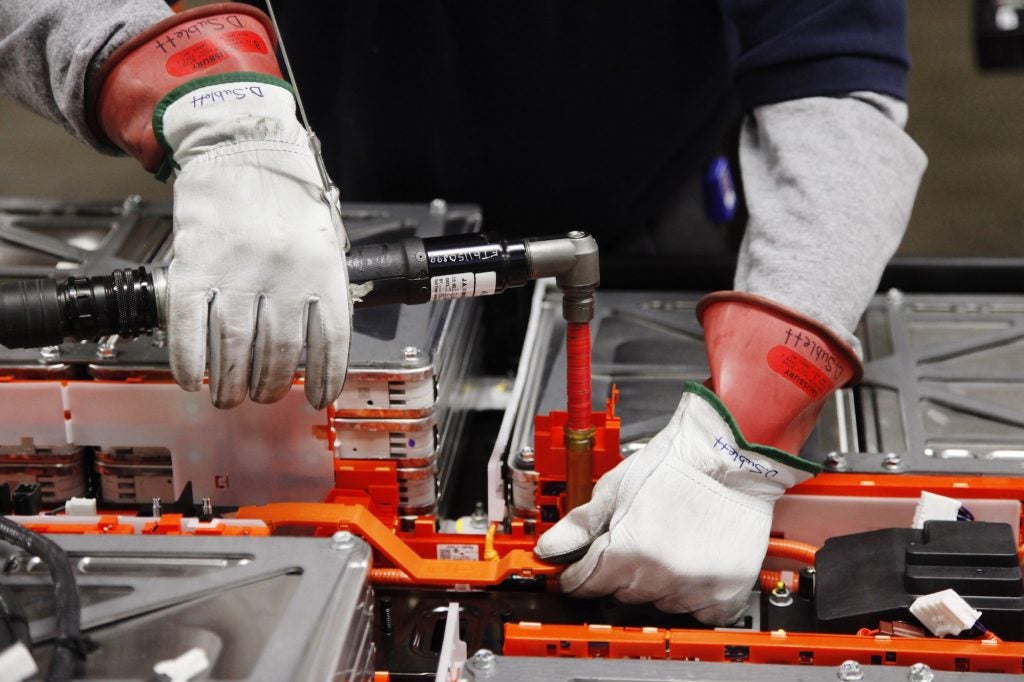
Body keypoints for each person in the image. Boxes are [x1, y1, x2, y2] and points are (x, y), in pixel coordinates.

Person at [0, 1, 926, 625]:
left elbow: (838, 93)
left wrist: (744, 438)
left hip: (653, 198)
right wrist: (205, 97)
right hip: (302, 185)